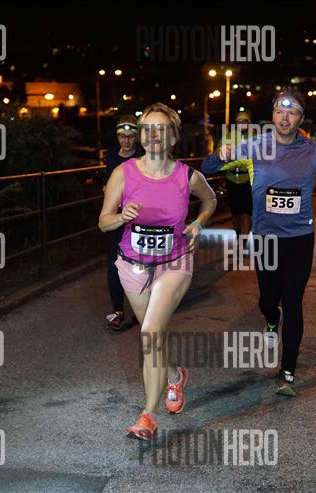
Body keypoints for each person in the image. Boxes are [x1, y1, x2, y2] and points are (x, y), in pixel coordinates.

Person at [202, 88, 316, 397]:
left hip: (299, 239)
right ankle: (272, 320)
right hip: (266, 239)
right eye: (279, 111)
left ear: (301, 118)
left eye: (292, 112)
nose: (285, 118)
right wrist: (220, 155)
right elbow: (208, 168)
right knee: (267, 300)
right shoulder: (255, 146)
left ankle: (288, 372)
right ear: (272, 115)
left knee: (294, 302)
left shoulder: (314, 150)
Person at [99, 103, 217, 440]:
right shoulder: (123, 173)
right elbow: (103, 222)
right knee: (155, 335)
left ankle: (147, 416)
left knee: (150, 332)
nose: (153, 135)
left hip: (174, 263)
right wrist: (121, 217)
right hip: (132, 264)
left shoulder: (187, 176)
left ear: (173, 137)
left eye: (161, 129)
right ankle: (175, 376)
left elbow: (210, 200)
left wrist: (198, 223)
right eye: (147, 129)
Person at [102, 115, 145, 330]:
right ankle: (118, 310)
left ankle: (141, 307)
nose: (126, 141)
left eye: (130, 136)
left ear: (137, 137)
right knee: (113, 264)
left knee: (141, 263)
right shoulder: (111, 155)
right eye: (122, 136)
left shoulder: (143, 155)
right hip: (118, 218)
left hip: (140, 218)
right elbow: (106, 185)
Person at [218, 110, 254, 236]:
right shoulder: (228, 137)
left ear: (249, 123)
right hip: (231, 180)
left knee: (246, 212)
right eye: (239, 121)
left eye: (244, 121)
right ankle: (240, 235)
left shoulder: (255, 138)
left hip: (249, 181)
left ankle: (243, 240)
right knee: (235, 212)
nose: (242, 123)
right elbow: (218, 155)